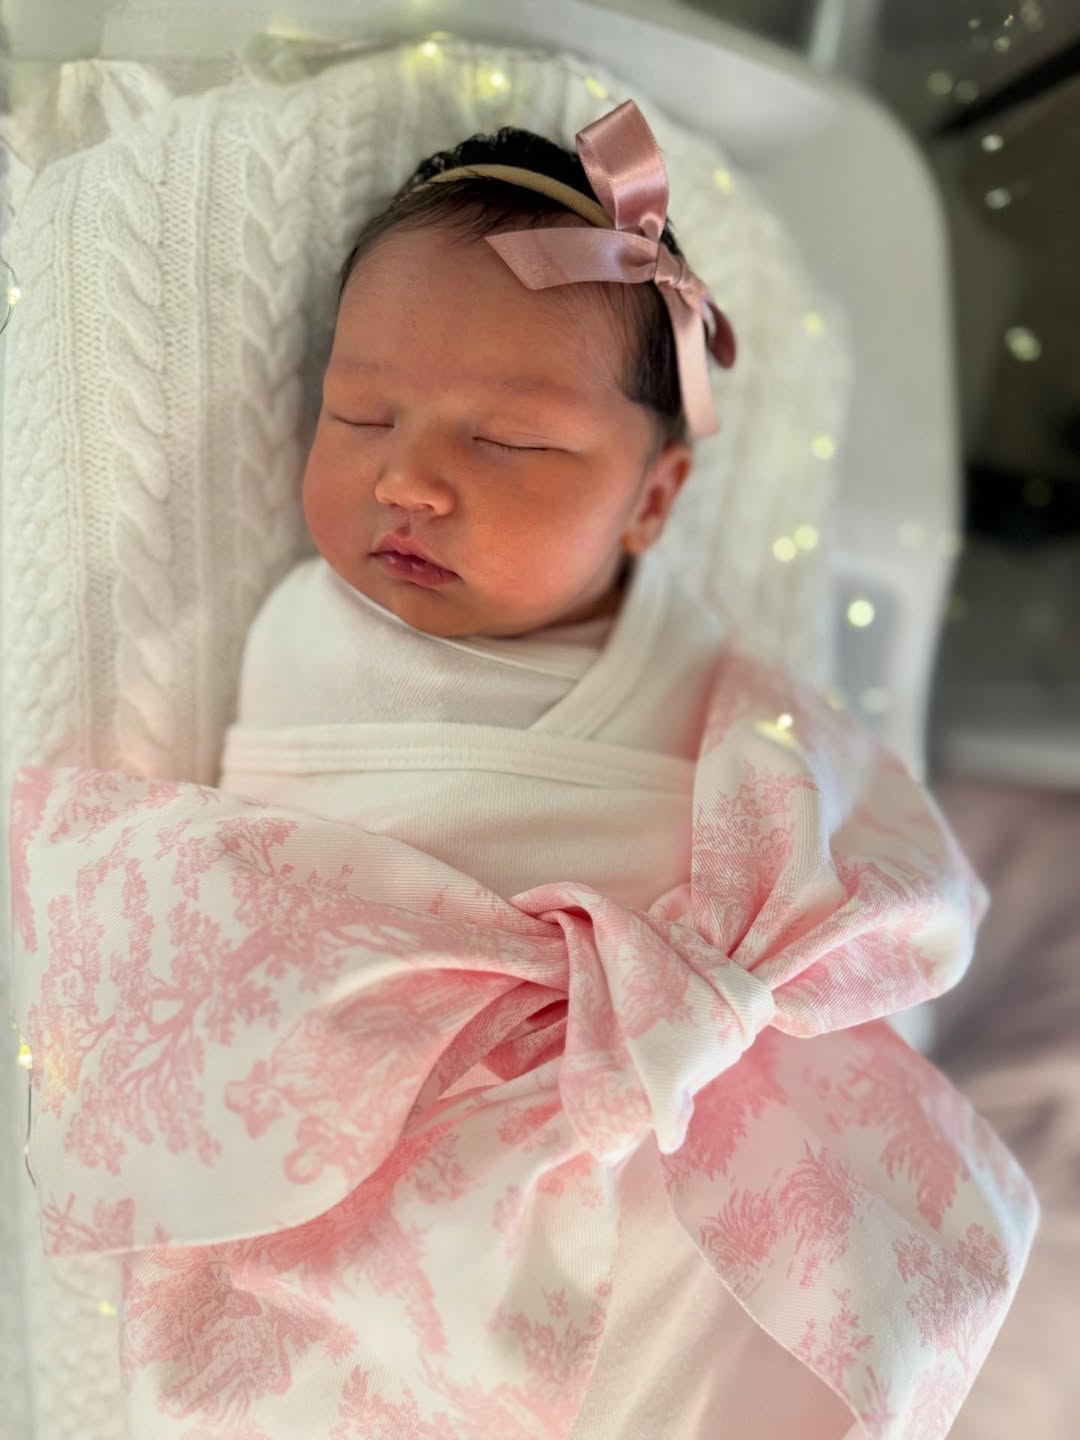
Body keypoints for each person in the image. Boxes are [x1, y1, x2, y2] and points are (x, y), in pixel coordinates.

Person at [11, 100, 1035, 1440]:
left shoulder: (715, 678)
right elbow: (250, 919)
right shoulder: (305, 644)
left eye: (508, 442)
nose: (410, 480)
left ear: (652, 500)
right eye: (361, 414)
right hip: (398, 1160)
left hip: (687, 1155)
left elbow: (835, 843)